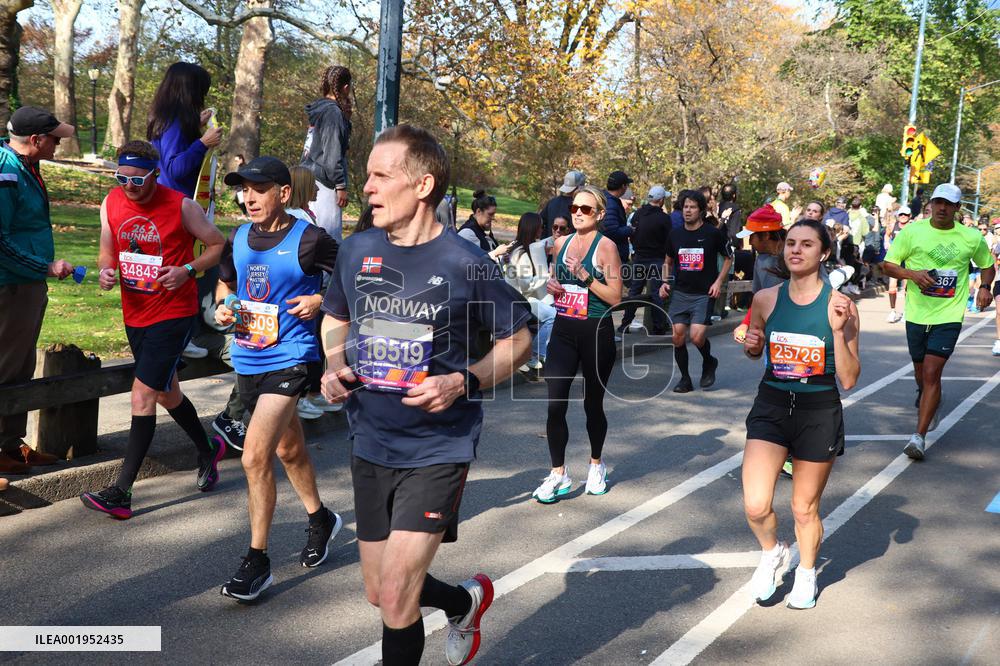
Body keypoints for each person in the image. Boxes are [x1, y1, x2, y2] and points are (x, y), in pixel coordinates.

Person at [320, 124, 532, 665]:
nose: (366, 187)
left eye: (380, 176)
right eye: (367, 175)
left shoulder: (466, 262)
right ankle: (463, 601)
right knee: (380, 592)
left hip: (438, 447)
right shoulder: (356, 249)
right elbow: (335, 315)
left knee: (396, 595)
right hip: (371, 439)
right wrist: (335, 365)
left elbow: (519, 339)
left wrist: (462, 381)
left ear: (422, 185)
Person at [213, 156, 343, 601]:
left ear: (283, 194)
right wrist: (224, 306)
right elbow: (226, 283)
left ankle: (257, 562)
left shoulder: (309, 238)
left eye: (258, 189)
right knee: (289, 449)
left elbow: (353, 276)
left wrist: (320, 299)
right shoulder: (239, 236)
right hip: (248, 358)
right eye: (243, 189)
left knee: (254, 457)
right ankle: (321, 518)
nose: (248, 197)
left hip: (292, 358)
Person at [80, 140, 226, 519]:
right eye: (122, 178)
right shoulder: (111, 202)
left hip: (173, 313)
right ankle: (209, 450)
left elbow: (217, 244)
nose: (129, 186)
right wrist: (106, 270)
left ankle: (121, 493)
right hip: (135, 314)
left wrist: (187, 270)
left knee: (142, 395)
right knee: (166, 394)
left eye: (137, 179)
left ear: (155, 175)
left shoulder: (180, 205)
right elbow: (107, 248)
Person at [741, 218, 861, 610]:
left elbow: (849, 378)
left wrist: (838, 332)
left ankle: (806, 572)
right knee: (755, 504)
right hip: (771, 405)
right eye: (791, 242)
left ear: (824, 253)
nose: (795, 249)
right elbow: (755, 350)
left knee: (803, 508)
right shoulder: (765, 299)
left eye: (807, 244)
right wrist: (753, 345)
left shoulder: (841, 306)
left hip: (818, 410)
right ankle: (772, 551)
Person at [881, 183, 995, 461]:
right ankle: (927, 396)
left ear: (957, 208)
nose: (942, 208)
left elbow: (987, 265)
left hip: (949, 315)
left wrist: (984, 287)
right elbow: (888, 265)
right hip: (917, 314)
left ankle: (918, 437)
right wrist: (912, 274)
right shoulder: (912, 232)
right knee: (921, 372)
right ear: (931, 204)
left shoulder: (970, 237)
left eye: (948, 204)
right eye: (938, 202)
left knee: (932, 372)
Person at [534, 185, 623, 503]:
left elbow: (616, 297)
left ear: (599, 214)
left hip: (596, 331)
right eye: (574, 208)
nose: (578, 214)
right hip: (563, 330)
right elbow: (555, 281)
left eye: (585, 209)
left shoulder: (606, 247)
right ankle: (558, 473)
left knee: (592, 404)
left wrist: (586, 276)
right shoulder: (560, 243)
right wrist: (552, 285)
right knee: (555, 403)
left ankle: (596, 465)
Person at [0, 106, 76, 476]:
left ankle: (10, 444)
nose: (58, 145)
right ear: (35, 140)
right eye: (54, 139)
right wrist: (43, 266)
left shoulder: (26, 165)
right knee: (4, 367)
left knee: (21, 365)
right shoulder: (7, 173)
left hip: (26, 284)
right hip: (10, 285)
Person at [659, 189, 732, 392]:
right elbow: (668, 261)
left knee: (697, 337)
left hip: (703, 294)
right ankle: (685, 379)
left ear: (701, 211)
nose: (688, 210)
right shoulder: (675, 234)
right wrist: (664, 282)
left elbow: (728, 258)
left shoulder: (712, 233)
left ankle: (709, 361)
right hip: (681, 293)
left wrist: (718, 282)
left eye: (692, 207)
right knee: (677, 337)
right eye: (685, 207)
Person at [302, 65, 353, 242]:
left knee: (310, 234)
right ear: (345, 88)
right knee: (328, 238)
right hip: (324, 182)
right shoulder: (333, 112)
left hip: (307, 177)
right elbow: (332, 153)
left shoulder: (319, 109)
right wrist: (341, 185)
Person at [505, 213, 555, 371]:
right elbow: (526, 286)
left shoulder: (519, 247)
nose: (542, 230)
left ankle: (537, 351)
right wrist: (546, 276)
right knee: (553, 315)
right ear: (533, 229)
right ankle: (532, 354)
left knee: (552, 308)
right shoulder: (522, 254)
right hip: (519, 301)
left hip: (517, 298)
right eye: (541, 227)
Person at [619, 185, 671, 335]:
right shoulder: (664, 218)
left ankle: (624, 325)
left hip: (639, 258)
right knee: (656, 293)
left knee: (634, 292)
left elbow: (632, 234)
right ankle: (659, 327)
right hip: (657, 259)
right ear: (661, 200)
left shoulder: (638, 214)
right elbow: (669, 240)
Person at [458, 190, 509, 261]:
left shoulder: (480, 230)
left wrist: (502, 257)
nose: (493, 218)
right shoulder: (467, 233)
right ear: (478, 211)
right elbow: (473, 262)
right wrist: (496, 253)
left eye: (494, 214)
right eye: (490, 214)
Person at [884, 206, 912, 323]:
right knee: (892, 286)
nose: (903, 216)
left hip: (908, 259)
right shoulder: (892, 226)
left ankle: (906, 312)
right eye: (901, 214)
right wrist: (887, 243)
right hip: (895, 259)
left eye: (906, 214)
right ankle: (892, 311)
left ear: (910, 216)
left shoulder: (913, 227)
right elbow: (887, 235)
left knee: (907, 287)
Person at [540, 170, 585, 237]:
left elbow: (540, 222)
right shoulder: (580, 206)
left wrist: (544, 238)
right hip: (570, 243)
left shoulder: (552, 202)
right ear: (579, 187)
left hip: (551, 241)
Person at [602, 170, 634, 263]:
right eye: (627, 185)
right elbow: (611, 231)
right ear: (623, 186)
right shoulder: (610, 203)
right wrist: (630, 229)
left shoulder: (609, 200)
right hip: (612, 256)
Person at [718, 184, 742, 248]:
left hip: (716, 243)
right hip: (729, 245)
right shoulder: (735, 210)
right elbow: (734, 232)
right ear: (734, 195)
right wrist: (737, 245)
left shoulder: (717, 208)